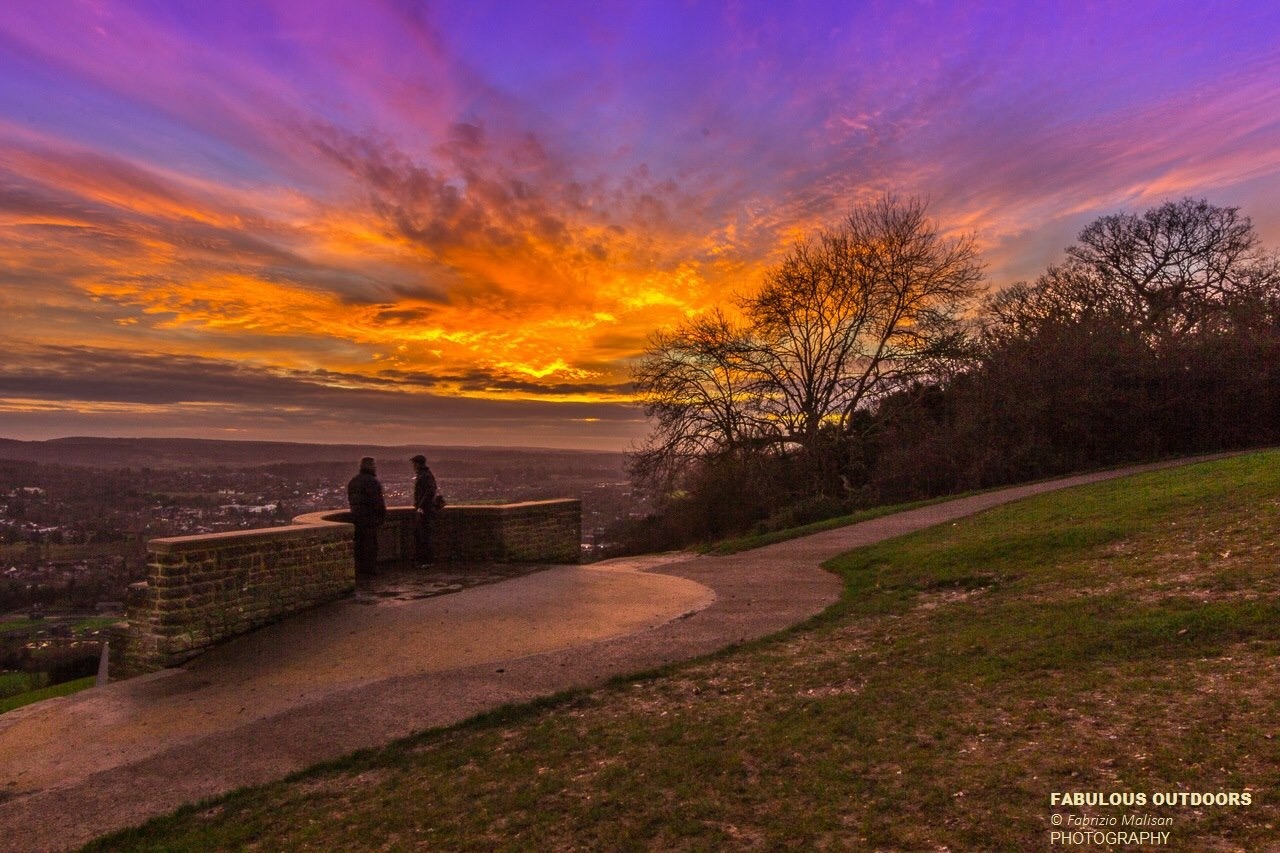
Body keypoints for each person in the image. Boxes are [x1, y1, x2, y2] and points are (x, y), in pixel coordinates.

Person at [347, 457, 386, 577]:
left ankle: (360, 570)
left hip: (356, 518)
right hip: (369, 519)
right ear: (371, 466)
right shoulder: (372, 482)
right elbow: (377, 502)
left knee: (359, 546)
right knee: (370, 546)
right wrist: (380, 516)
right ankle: (370, 570)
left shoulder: (353, 481)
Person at [411, 453, 438, 567]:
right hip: (425, 509)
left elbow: (429, 492)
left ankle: (426, 560)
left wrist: (420, 506)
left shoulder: (424, 475)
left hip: (424, 511)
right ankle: (425, 560)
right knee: (423, 535)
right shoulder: (426, 475)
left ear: (417, 464)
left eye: (414, 464)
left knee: (423, 536)